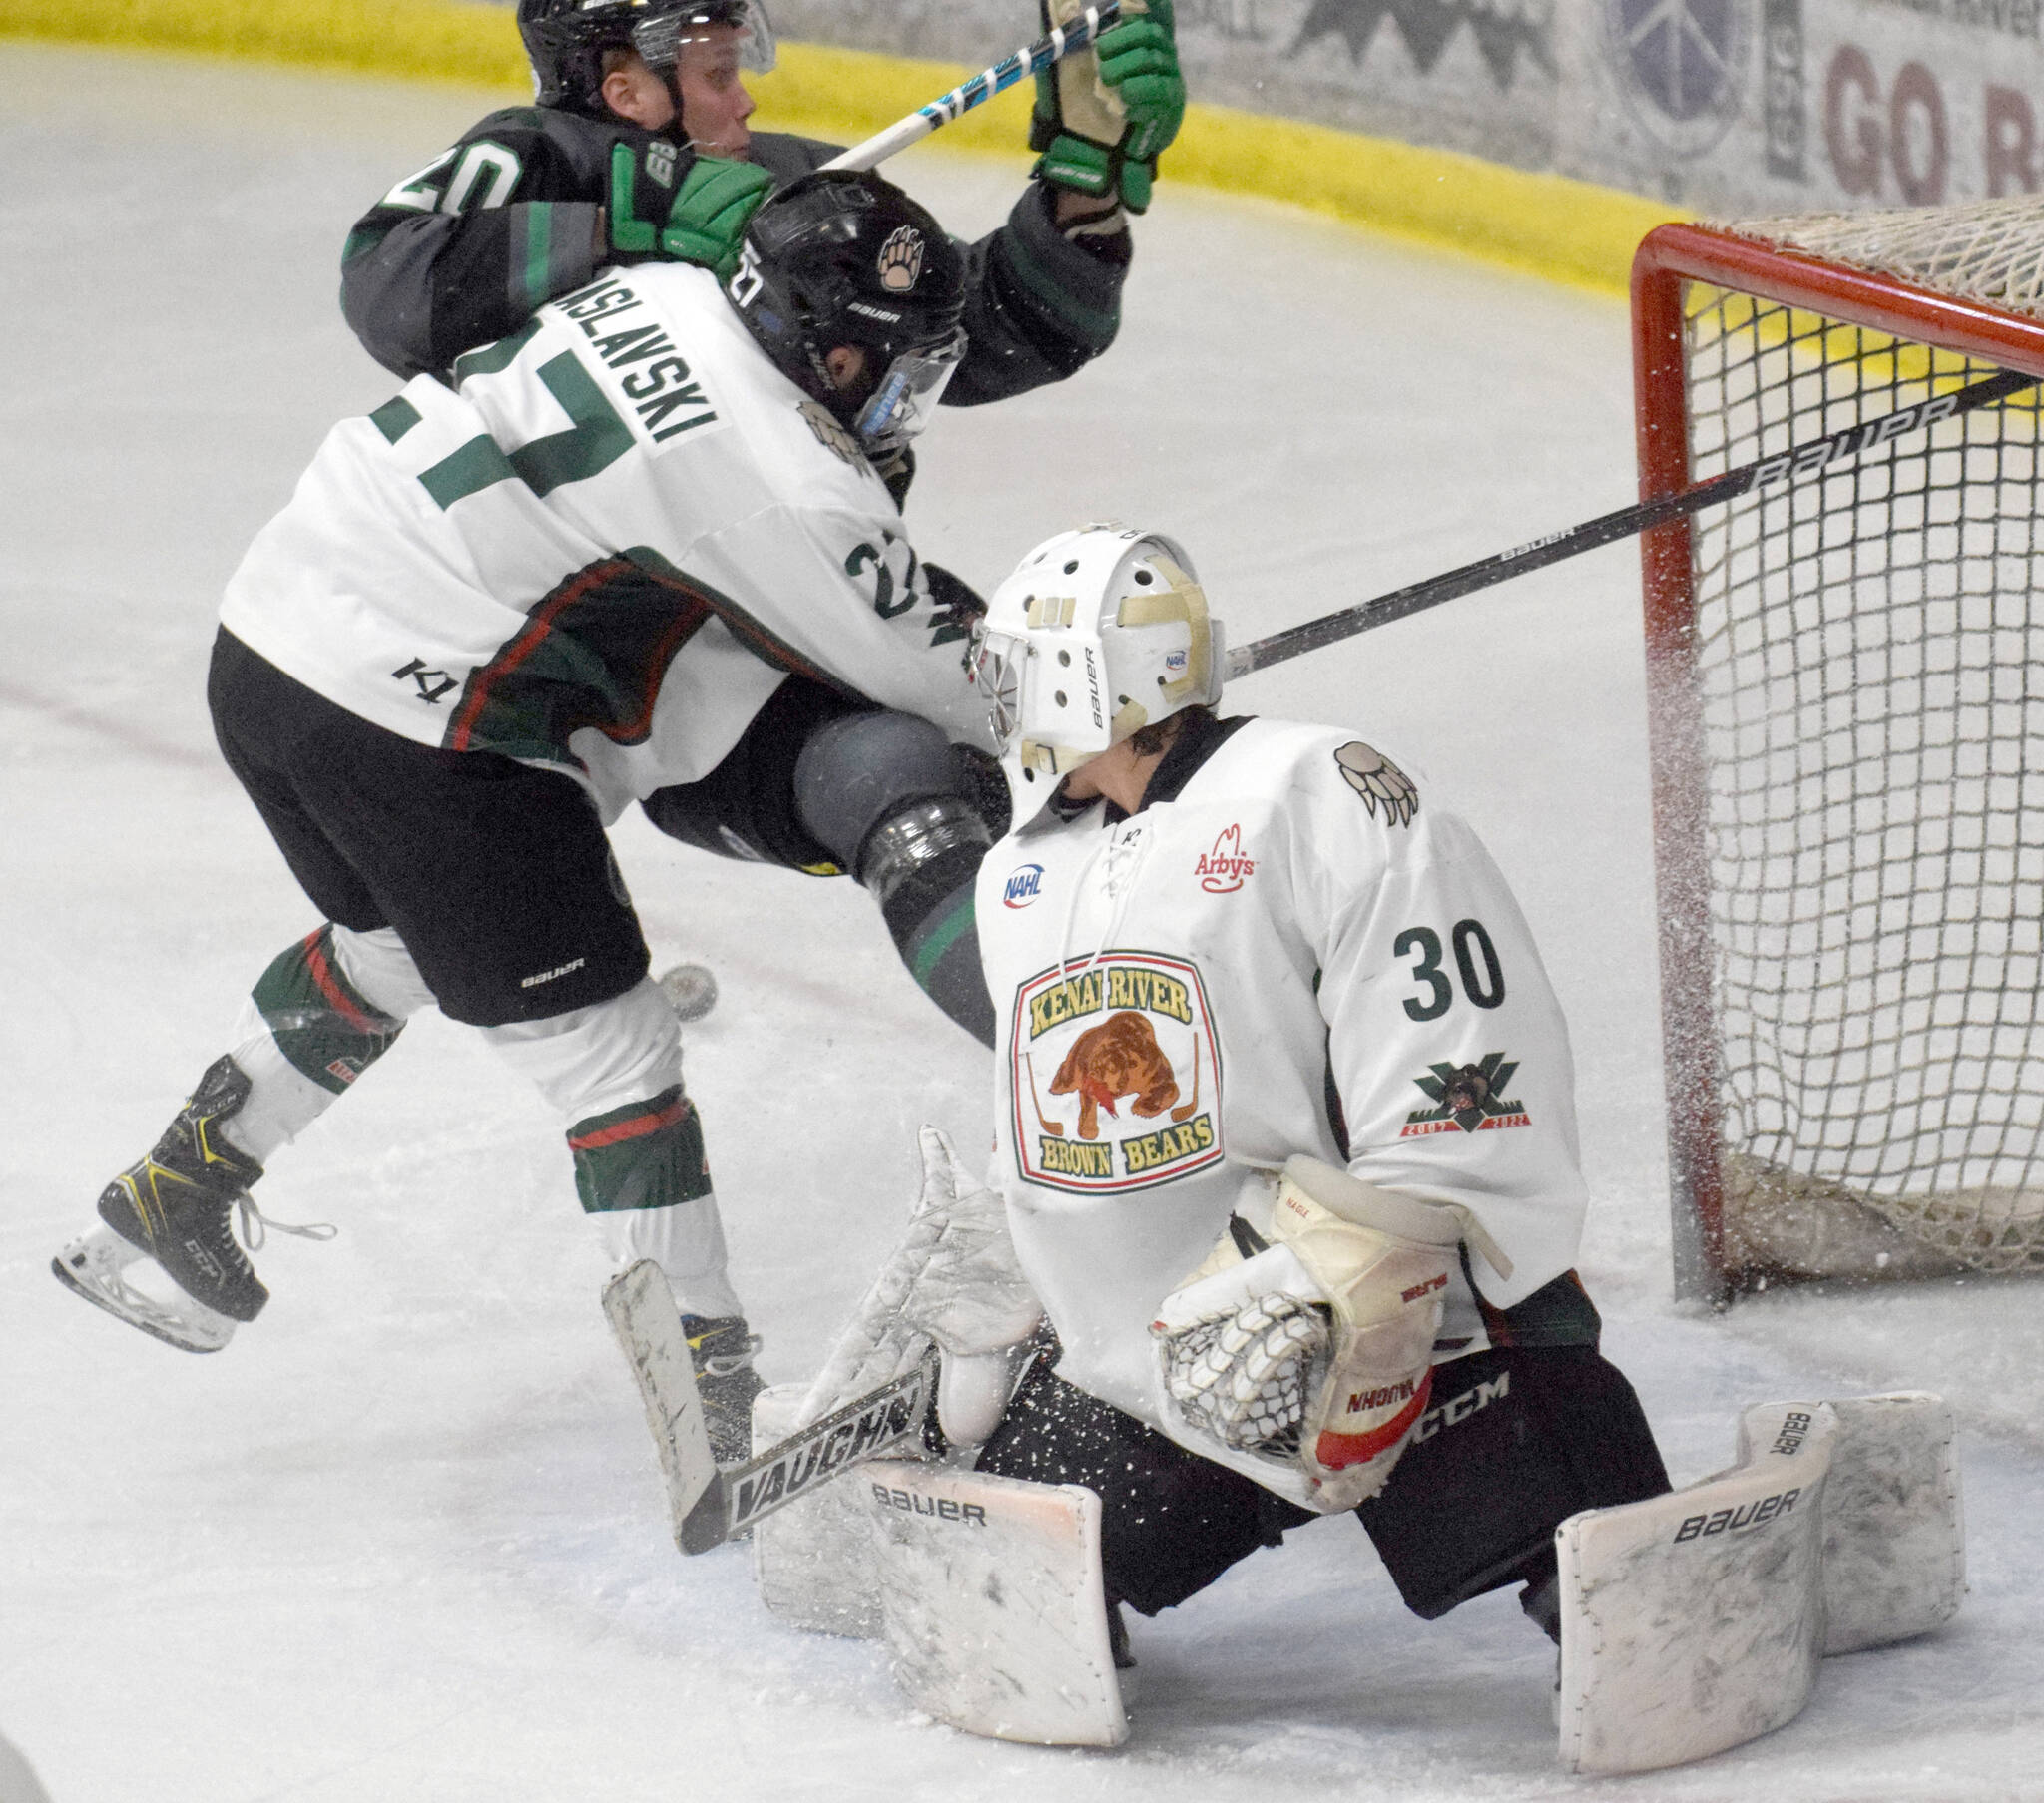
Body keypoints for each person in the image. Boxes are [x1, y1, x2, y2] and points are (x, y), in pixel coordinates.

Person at [52, 171, 985, 1463]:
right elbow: (931, 679)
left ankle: (182, 1179)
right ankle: (711, 1409)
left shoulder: (660, 291)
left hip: (272, 637)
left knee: (397, 936)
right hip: (416, 726)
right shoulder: (788, 474)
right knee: (613, 1053)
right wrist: (1102, 683)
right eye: (894, 369)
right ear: (831, 347)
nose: (903, 404)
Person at [339, 0, 1188, 1049]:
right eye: (710, 72)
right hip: (533, 675)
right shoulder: (537, 157)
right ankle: (201, 1160)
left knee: (926, 777)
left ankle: (1125, 1080)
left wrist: (1082, 190)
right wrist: (635, 212)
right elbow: (388, 277)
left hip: (773, 633)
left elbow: (974, 335)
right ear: (623, 88)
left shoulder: (782, 188)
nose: (741, 98)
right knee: (398, 937)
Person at [948, 524, 1672, 1652]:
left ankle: (1587, 1561)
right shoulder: (1023, 871)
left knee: (1587, 1563)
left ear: (1073, 683)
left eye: (1010, 672)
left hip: (1375, 1310)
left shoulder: (1313, 789)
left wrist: (1358, 1275)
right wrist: (1038, 1289)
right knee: (1004, 1591)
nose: (996, 703)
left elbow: (1461, 1045)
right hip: (1158, 1349)